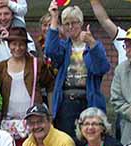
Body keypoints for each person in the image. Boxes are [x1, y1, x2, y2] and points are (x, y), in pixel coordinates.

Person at [45, 1, 110, 138]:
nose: (70, 27)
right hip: (66, 103)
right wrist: (54, 18)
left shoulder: (93, 46)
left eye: (74, 23)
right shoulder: (63, 47)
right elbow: (50, 51)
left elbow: (101, 68)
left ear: (81, 23)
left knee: (88, 140)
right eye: (66, 24)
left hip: (88, 101)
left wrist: (92, 43)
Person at [0, 27, 55, 143]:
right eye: (14, 44)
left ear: (26, 46)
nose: (17, 48)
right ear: (8, 45)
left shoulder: (36, 64)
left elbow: (50, 85)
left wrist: (51, 113)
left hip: (34, 122)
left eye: (21, 44)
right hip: (8, 123)